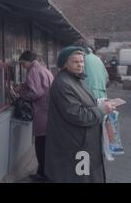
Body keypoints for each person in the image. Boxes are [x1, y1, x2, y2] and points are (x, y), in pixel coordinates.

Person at [45, 46, 116, 183]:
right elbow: (78, 115)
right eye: (75, 62)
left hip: (83, 142)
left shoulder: (77, 79)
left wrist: (100, 103)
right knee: (79, 177)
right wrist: (101, 110)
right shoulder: (63, 84)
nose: (80, 65)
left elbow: (84, 103)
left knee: (85, 176)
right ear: (65, 64)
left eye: (82, 61)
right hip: (76, 145)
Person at [17, 50, 54, 182]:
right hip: (48, 110)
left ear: (28, 61)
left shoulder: (34, 70)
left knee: (40, 143)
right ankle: (44, 171)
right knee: (45, 142)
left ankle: (43, 173)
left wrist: (21, 92)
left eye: (22, 64)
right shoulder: (42, 68)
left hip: (42, 111)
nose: (22, 67)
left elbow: (35, 93)